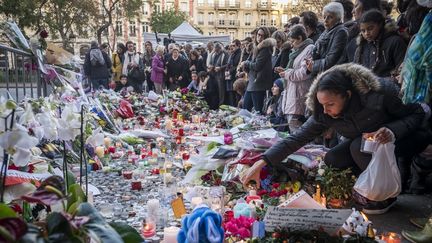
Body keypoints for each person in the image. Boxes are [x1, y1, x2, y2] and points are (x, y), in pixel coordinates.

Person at [240, 63, 427, 214]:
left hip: (402, 140)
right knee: (333, 158)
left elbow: (416, 114)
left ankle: (385, 194)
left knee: (357, 146)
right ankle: (364, 188)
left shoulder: (378, 94)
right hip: (365, 145)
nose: (325, 110)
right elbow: (296, 139)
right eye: (321, 105)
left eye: (330, 104)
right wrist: (261, 163)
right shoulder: (324, 112)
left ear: (347, 95)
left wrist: (391, 130)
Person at [279, 24, 315, 133]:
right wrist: (285, 71)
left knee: (298, 132)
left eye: (293, 41)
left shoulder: (309, 49)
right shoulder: (297, 52)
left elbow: (304, 73)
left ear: (300, 38)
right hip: (293, 95)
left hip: (299, 96)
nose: (292, 45)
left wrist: (286, 73)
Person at [354, 9, 407, 78]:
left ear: (380, 25)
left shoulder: (395, 42)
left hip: (391, 86)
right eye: (363, 31)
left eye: (370, 28)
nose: (366, 33)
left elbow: (402, 69)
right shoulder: (361, 47)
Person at [306, 2, 348, 77]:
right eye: (324, 17)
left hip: (333, 77)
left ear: (338, 18)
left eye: (330, 17)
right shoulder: (326, 32)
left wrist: (313, 65)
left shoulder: (341, 32)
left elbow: (331, 60)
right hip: (323, 74)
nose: (325, 20)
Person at [242, 27, 276, 113]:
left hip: (258, 83)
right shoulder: (256, 47)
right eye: (258, 35)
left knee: (258, 112)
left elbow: (257, 66)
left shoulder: (265, 49)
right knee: (245, 109)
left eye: (262, 36)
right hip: (252, 83)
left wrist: (246, 64)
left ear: (266, 37)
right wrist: (245, 65)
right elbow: (250, 61)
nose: (259, 37)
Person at [226, 40, 242, 106]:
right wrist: (227, 70)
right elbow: (228, 64)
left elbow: (237, 65)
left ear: (238, 46)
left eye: (234, 46)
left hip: (235, 77)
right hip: (229, 77)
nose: (232, 47)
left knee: (237, 95)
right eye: (231, 45)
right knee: (231, 95)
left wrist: (229, 71)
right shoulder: (232, 53)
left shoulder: (240, 53)